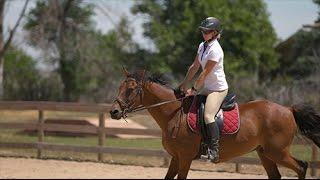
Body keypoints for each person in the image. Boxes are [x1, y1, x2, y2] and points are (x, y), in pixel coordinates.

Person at [178, 17, 228, 162]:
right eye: (203, 31)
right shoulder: (202, 45)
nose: (204, 33)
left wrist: (193, 89)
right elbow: (194, 67)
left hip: (217, 89)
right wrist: (184, 84)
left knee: (208, 116)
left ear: (215, 33)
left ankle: (214, 150)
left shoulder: (216, 50)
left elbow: (204, 73)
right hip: (206, 87)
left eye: (207, 31)